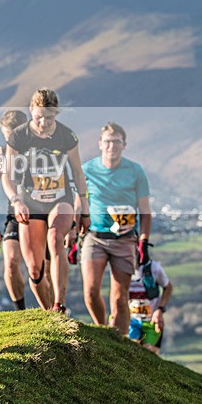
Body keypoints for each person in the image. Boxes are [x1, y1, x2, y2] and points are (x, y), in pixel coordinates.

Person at [2, 89, 90, 313]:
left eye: (49, 117)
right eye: (39, 116)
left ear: (56, 115)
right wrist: (16, 202)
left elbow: (78, 174)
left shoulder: (66, 136)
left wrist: (85, 211)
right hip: (30, 202)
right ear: (31, 111)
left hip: (60, 199)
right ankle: (49, 312)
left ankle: (60, 303)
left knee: (54, 237)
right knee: (34, 269)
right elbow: (8, 176)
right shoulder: (19, 136)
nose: (43, 122)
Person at [82, 122, 152, 334]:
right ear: (100, 144)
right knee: (90, 291)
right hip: (95, 237)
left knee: (120, 298)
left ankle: (118, 340)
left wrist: (143, 242)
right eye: (108, 141)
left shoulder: (135, 171)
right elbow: (78, 203)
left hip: (125, 239)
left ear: (124, 145)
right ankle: (102, 329)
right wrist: (73, 231)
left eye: (116, 142)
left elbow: (145, 209)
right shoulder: (87, 169)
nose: (111, 146)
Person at [0, 110, 54, 309]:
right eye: (8, 137)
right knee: (11, 261)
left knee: (44, 270)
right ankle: (20, 311)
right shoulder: (0, 154)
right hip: (16, 214)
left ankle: (51, 313)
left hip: (44, 214)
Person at [129, 256, 172, 354]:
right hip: (130, 320)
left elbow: (168, 287)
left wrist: (160, 309)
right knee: (130, 352)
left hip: (152, 321)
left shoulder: (154, 268)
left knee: (149, 355)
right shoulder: (121, 266)